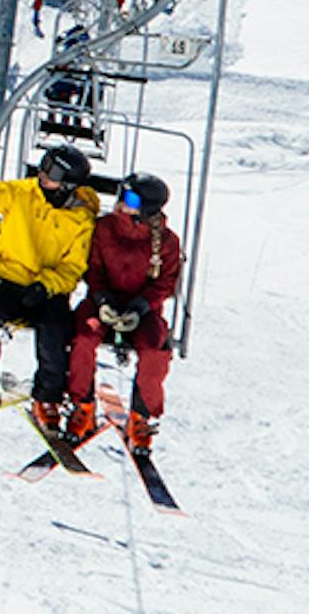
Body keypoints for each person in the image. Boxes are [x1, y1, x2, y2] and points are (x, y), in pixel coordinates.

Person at [0, 146, 102, 434]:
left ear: (68, 182)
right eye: (43, 166)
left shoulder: (81, 219)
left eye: (52, 172)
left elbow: (73, 267)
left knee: (54, 330)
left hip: (48, 289)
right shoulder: (24, 194)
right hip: (10, 278)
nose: (42, 174)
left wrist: (47, 286)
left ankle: (48, 398)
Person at [64, 173, 184, 454]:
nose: (120, 204)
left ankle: (140, 417)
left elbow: (166, 281)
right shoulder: (104, 228)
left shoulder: (166, 242)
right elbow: (92, 267)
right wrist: (102, 297)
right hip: (101, 303)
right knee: (83, 338)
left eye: (129, 199)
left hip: (143, 310)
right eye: (120, 195)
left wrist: (142, 305)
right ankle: (82, 405)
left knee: (155, 349)